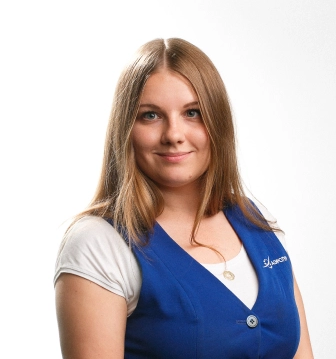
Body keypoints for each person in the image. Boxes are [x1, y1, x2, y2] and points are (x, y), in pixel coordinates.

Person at [54, 38, 314, 358]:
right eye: (150, 115)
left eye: (192, 113)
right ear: (126, 128)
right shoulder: (99, 243)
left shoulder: (255, 218)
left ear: (218, 122)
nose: (174, 134)